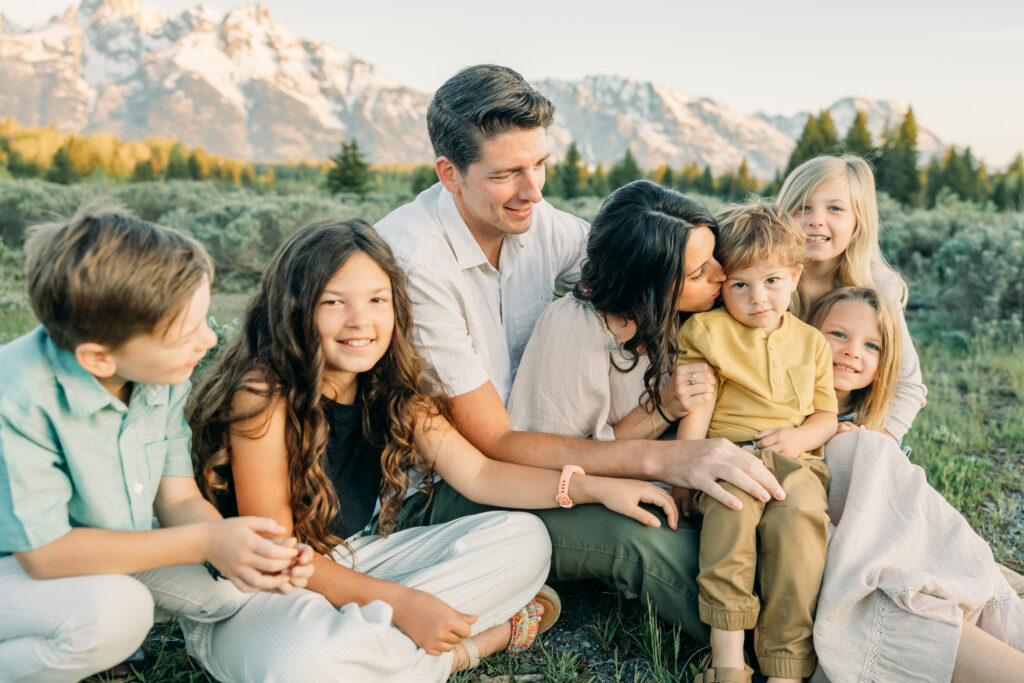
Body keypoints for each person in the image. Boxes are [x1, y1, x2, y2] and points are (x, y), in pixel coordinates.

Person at [376, 65, 784, 636]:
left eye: (539, 164)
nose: (534, 191)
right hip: (451, 487)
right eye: (507, 174)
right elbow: (494, 443)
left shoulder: (535, 221)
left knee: (733, 516)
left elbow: (632, 265)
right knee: (645, 538)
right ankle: (780, 650)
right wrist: (662, 459)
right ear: (450, 173)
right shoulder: (415, 265)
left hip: (541, 454)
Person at [188, 217, 679, 681]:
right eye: (333, 302)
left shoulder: (392, 383)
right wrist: (403, 604)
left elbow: (480, 475)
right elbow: (279, 556)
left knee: (526, 540)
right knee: (304, 666)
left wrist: (593, 488)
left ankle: (373, 646)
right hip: (263, 589)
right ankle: (470, 649)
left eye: (377, 300)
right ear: (292, 308)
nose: (361, 321)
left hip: (356, 559)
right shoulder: (262, 394)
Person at [0, 206, 314, 682]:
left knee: (233, 587)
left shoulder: (157, 374)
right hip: (23, 562)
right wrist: (207, 541)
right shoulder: (17, 398)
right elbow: (45, 555)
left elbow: (178, 499)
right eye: (185, 335)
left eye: (204, 320)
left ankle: (93, 626)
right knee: (117, 613)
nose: (207, 341)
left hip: (97, 546)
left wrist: (245, 549)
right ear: (98, 358)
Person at [806, 288, 1024, 683]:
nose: (852, 351)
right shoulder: (790, 409)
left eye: (871, 345)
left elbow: (903, 504)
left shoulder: (869, 427)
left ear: (883, 365)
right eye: (838, 334)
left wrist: (869, 445)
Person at [674, 202, 837, 683]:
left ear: (795, 276)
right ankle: (728, 658)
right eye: (739, 285)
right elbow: (698, 406)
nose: (757, 298)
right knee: (732, 512)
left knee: (800, 525)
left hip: (796, 462)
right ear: (721, 285)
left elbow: (826, 414)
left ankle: (785, 663)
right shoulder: (706, 331)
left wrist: (800, 436)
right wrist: (682, 473)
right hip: (728, 456)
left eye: (771, 281)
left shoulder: (813, 343)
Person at [777, 154, 926, 442]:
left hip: (844, 429)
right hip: (774, 422)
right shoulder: (764, 280)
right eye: (803, 207)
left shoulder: (877, 284)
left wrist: (875, 442)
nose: (816, 220)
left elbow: (908, 385)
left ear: (858, 221)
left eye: (834, 208)